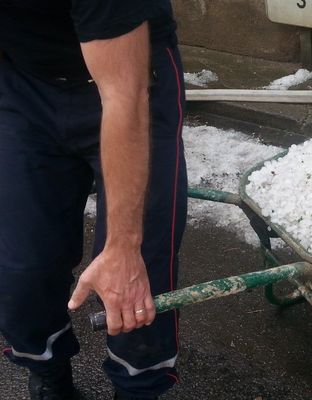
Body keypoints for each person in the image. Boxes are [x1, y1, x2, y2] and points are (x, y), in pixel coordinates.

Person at [0, 1, 188, 399]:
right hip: (22, 81)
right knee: (21, 267)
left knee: (137, 274)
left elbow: (124, 95)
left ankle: (138, 387)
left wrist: (123, 247)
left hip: (129, 75)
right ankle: (47, 371)